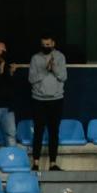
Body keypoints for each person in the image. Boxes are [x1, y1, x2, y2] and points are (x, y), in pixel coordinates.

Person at [28, 35, 67, 171]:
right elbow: (31, 79)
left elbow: (63, 76)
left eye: (48, 44)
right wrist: (45, 70)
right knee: (38, 131)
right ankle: (36, 163)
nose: (46, 47)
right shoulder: (35, 58)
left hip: (56, 100)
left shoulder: (60, 57)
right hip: (39, 100)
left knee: (53, 132)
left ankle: (53, 163)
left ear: (53, 43)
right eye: (43, 44)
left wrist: (54, 68)